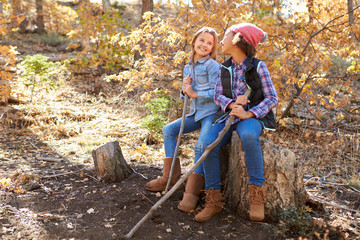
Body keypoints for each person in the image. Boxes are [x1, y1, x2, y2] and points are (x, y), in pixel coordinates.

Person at [187, 23, 278, 223]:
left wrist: (249, 113)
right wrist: (230, 105)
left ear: (238, 40)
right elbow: (218, 95)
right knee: (208, 143)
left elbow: (272, 98)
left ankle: (256, 195)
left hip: (253, 117)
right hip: (227, 116)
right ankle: (213, 199)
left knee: (247, 135)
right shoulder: (224, 67)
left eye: (226, 36)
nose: (221, 40)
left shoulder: (258, 67)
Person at [145, 27, 220, 195]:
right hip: (195, 113)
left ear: (213, 48)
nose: (205, 45)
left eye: (209, 43)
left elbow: (218, 93)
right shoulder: (188, 67)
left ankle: (193, 190)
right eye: (202, 40)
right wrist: (184, 89)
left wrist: (194, 93)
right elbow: (184, 96)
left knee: (200, 146)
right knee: (168, 130)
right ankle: (170, 178)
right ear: (194, 41)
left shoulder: (212, 66)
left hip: (210, 114)